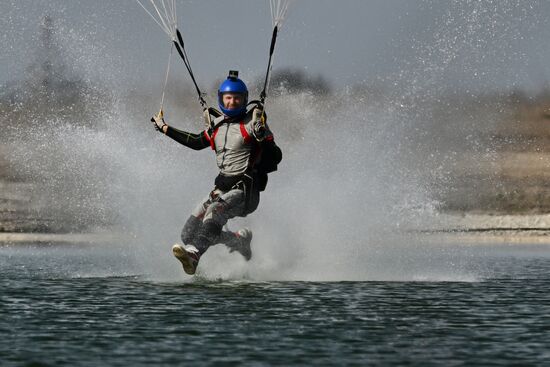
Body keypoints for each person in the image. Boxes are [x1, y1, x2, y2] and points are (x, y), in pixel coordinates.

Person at [152, 70, 282, 275]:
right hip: (221, 189)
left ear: (244, 100)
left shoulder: (254, 124)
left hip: (246, 191)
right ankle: (238, 241)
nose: (232, 102)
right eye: (228, 98)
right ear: (221, 99)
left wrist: (264, 138)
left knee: (214, 212)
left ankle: (194, 256)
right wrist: (164, 128)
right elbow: (195, 142)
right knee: (188, 234)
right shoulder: (217, 125)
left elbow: (277, 157)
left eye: (237, 99)